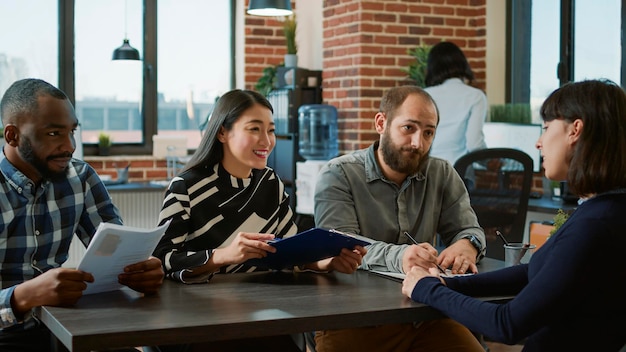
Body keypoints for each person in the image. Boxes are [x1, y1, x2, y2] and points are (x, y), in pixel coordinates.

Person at [402, 79, 626, 351]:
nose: (539, 142)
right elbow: (535, 272)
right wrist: (450, 284)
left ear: (575, 130)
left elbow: (506, 324)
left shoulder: (594, 226)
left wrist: (426, 289)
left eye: (545, 129)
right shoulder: (609, 211)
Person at [153, 89, 366, 352]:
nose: (266, 140)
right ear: (222, 133)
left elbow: (291, 247)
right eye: (254, 129)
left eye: (271, 130)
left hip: (261, 311)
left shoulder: (270, 183)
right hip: (199, 318)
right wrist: (223, 256)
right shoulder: (185, 187)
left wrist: (327, 261)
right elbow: (162, 259)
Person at [313, 85, 487, 351]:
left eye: (428, 133)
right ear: (381, 123)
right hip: (353, 318)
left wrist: (468, 244)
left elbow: (469, 228)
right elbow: (340, 245)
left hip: (423, 315)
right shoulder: (339, 174)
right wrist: (402, 257)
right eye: (409, 128)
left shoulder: (441, 173)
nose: (418, 143)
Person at [0, 78, 164, 351]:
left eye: (72, 132)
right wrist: (22, 297)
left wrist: (141, 269)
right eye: (54, 134)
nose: (70, 145)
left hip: (70, 325)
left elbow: (117, 249)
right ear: (12, 136)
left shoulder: (81, 177)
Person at [424, 41, 487, 165]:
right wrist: (491, 162)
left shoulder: (422, 96)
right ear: (463, 65)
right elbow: (474, 144)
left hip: (425, 175)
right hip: (458, 176)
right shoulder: (476, 96)